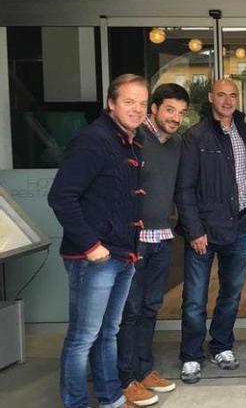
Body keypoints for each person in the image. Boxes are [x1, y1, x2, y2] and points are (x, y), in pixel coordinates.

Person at [48, 73, 149, 408]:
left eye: (142, 103)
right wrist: (91, 245)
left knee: (108, 332)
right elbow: (61, 196)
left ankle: (110, 398)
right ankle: (75, 403)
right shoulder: (93, 140)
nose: (136, 109)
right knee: (82, 337)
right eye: (129, 101)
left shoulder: (130, 141)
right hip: (94, 257)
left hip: (123, 253)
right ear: (111, 103)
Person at [176, 79, 246, 384]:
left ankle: (221, 345)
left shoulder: (244, 133)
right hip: (204, 231)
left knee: (231, 294)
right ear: (210, 98)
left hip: (238, 226)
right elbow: (184, 189)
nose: (228, 100)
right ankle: (191, 355)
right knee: (195, 299)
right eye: (221, 94)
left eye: (233, 95)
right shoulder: (195, 136)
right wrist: (194, 229)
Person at [117, 84, 189, 406]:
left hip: (161, 237)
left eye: (181, 112)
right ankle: (125, 379)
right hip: (133, 239)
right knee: (129, 311)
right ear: (154, 109)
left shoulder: (175, 145)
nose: (176, 118)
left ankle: (145, 371)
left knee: (150, 307)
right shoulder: (134, 140)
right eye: (170, 110)